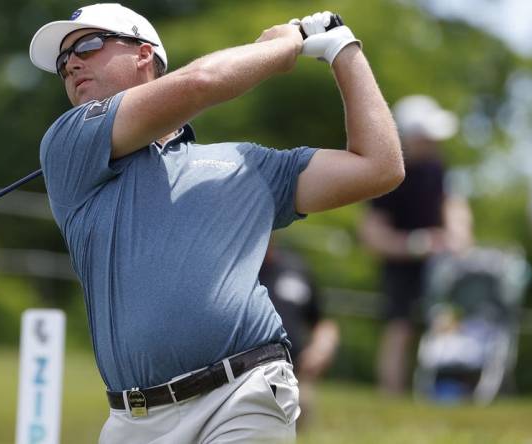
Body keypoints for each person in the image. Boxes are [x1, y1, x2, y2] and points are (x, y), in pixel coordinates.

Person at [29, 4, 404, 442]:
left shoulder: (247, 162)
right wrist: (279, 47)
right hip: (132, 420)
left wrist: (343, 49)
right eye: (62, 61)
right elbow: (200, 83)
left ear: (144, 55)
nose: (71, 62)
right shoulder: (68, 144)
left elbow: (380, 167)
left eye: (88, 45)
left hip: (244, 391)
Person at [359, 95, 473, 396]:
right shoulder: (389, 174)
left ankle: (446, 392)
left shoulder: (438, 170)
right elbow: (372, 235)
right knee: (399, 329)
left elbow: (455, 208)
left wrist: (457, 237)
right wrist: (415, 245)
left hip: (440, 265)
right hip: (401, 266)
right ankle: (391, 393)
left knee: (449, 329)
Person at [258, 241, 339, 430]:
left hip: (295, 373)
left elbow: (322, 321)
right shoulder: (235, 271)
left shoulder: (296, 268)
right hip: (245, 374)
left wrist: (323, 346)